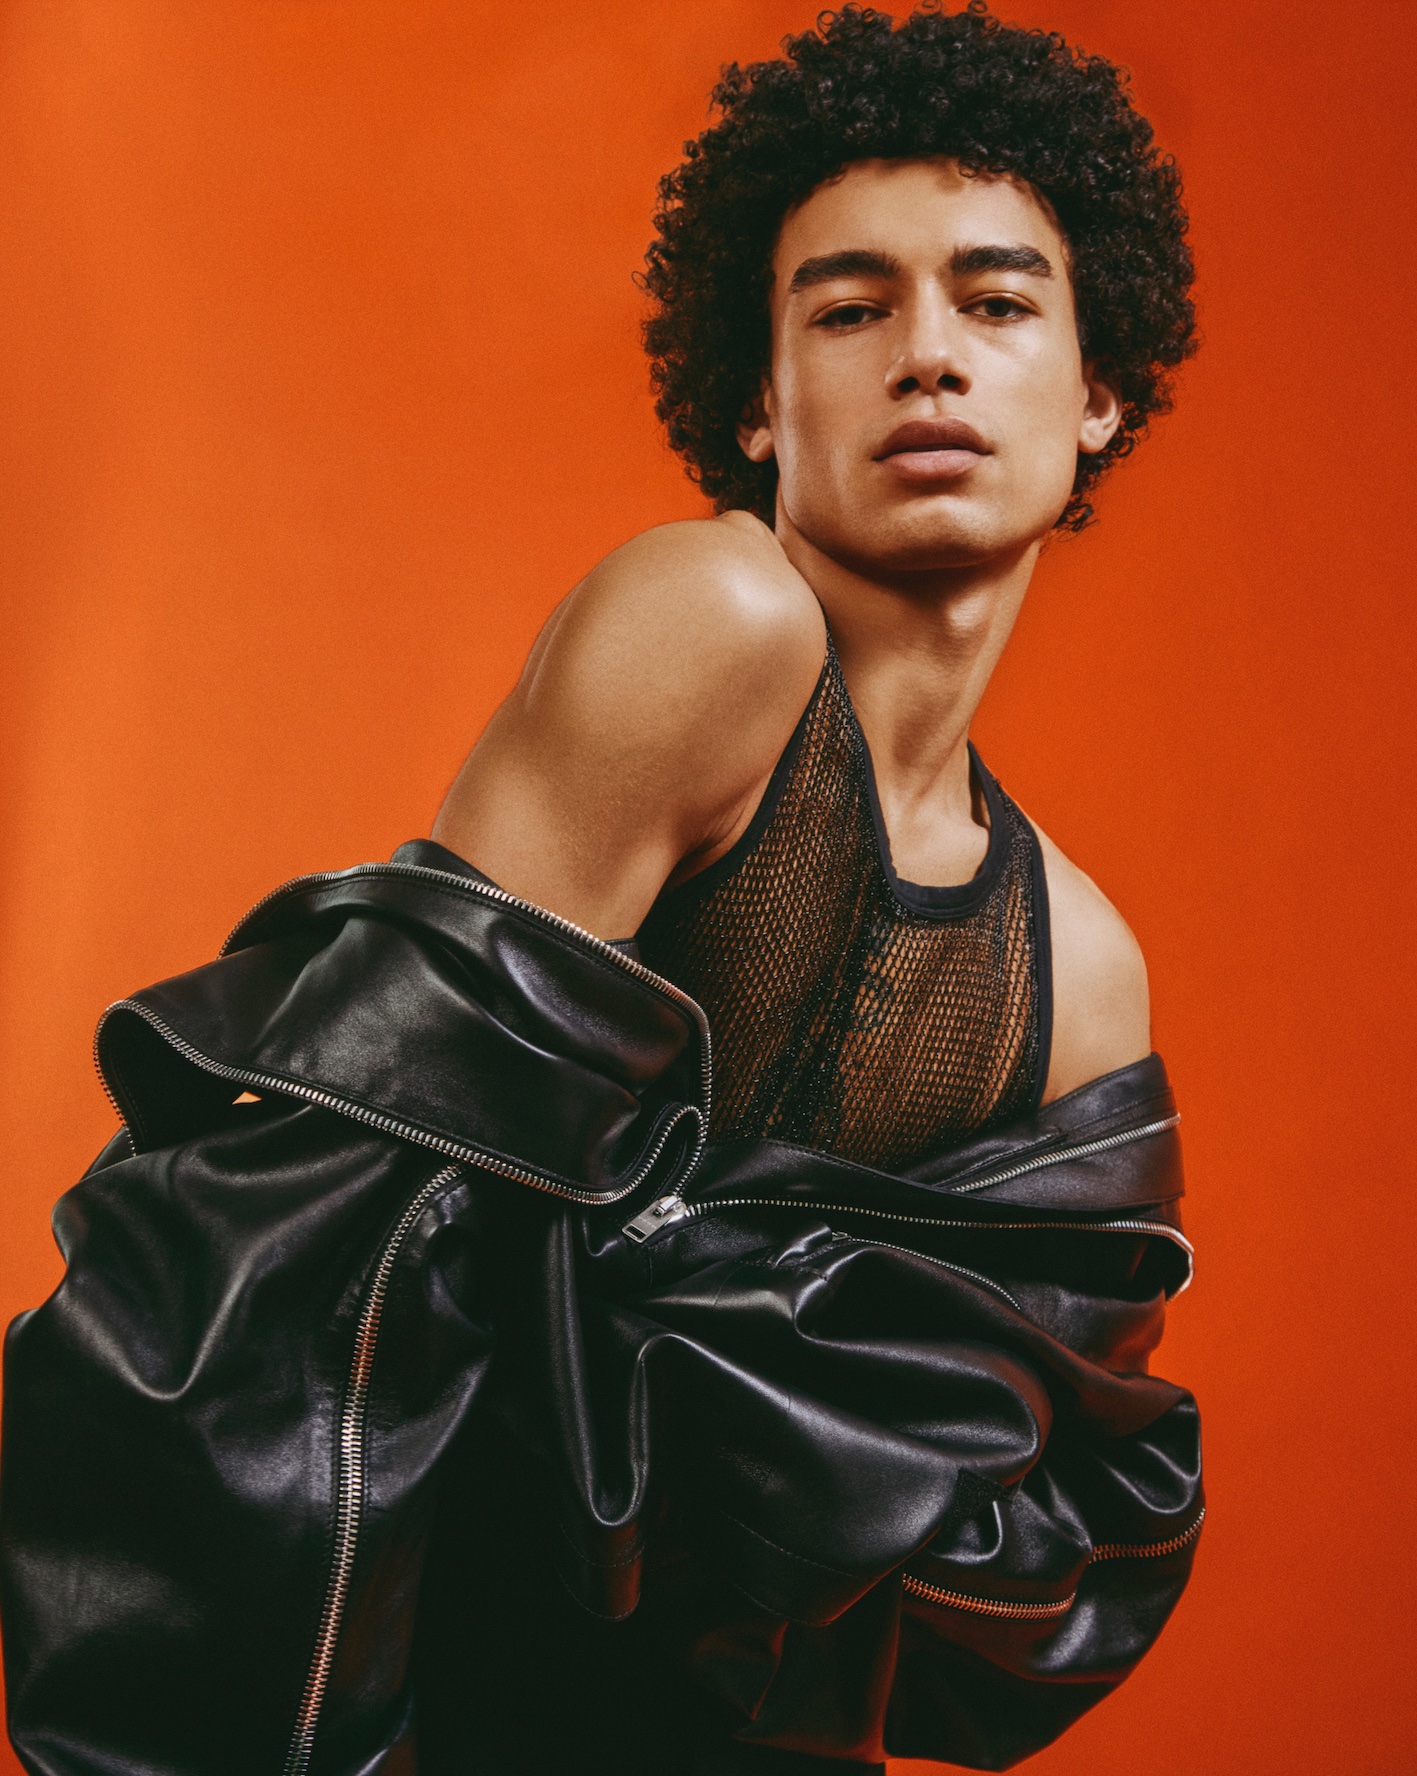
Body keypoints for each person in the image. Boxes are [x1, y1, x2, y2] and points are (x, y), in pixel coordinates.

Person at [0, 7, 1202, 1775]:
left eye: (997, 302)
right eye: (848, 309)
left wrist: (697, 1358)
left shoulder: (1075, 963)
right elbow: (338, 1224)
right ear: (756, 402)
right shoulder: (716, 621)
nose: (928, 359)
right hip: (428, 1703)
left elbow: (1040, 1547)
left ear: (1097, 392)